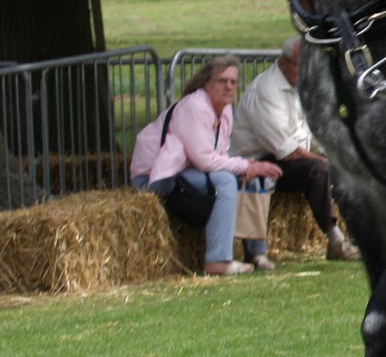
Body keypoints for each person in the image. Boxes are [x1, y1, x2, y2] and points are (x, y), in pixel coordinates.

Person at [131, 54, 282, 276]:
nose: (229, 87)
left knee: (253, 178)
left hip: (186, 168)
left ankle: (256, 252)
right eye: (222, 81)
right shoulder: (195, 106)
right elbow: (204, 159)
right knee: (226, 181)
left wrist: (247, 168)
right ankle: (218, 261)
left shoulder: (225, 109)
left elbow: (219, 154)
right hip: (156, 176)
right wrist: (245, 166)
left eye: (233, 82)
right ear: (206, 84)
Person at [229, 37, 362, 264]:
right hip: (254, 164)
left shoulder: (298, 86)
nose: (307, 72)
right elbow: (288, 151)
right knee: (318, 169)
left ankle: (363, 235)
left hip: (277, 159)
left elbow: (311, 134)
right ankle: (336, 240)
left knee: (344, 166)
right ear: (284, 63)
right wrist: (328, 163)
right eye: (302, 66)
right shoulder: (267, 91)